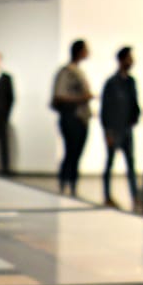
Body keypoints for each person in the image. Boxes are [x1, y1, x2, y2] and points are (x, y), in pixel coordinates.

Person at [99, 46, 142, 208]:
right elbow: (106, 109)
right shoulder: (111, 84)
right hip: (114, 129)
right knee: (110, 163)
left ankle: (135, 196)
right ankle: (107, 195)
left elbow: (134, 103)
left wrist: (135, 118)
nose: (132, 61)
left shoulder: (131, 82)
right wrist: (108, 131)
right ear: (122, 60)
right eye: (129, 58)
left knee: (131, 165)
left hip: (127, 129)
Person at [51, 40, 94, 196]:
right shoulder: (67, 72)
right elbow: (60, 96)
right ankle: (65, 182)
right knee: (71, 151)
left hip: (81, 118)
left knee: (76, 153)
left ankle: (72, 182)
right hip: (71, 118)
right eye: (85, 49)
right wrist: (83, 98)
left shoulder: (77, 71)